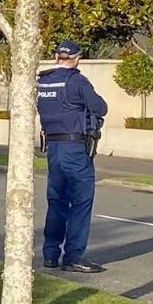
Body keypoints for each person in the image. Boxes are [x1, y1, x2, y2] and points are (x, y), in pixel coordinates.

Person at [36, 39, 108, 273]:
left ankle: (50, 253)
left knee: (56, 201)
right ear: (76, 58)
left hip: (53, 148)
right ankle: (74, 256)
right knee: (81, 201)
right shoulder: (77, 81)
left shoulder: (43, 81)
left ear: (57, 57)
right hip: (75, 148)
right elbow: (100, 107)